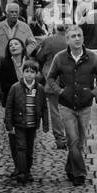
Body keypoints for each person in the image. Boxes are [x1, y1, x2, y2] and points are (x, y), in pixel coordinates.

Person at [46, 25, 97, 185]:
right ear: (67, 39)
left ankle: (69, 168)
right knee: (72, 139)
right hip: (66, 105)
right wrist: (60, 92)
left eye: (79, 35)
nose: (77, 38)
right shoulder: (60, 58)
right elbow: (50, 77)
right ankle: (80, 173)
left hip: (85, 105)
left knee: (80, 142)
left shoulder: (93, 57)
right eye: (73, 36)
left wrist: (94, 92)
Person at [5, 58, 50, 184]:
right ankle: (21, 171)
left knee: (29, 149)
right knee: (21, 147)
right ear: (23, 73)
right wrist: (9, 124)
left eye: (32, 72)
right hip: (19, 123)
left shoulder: (40, 89)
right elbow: (9, 106)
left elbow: (44, 107)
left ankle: (28, 170)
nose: (29, 74)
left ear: (36, 74)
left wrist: (45, 124)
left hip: (32, 124)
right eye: (27, 71)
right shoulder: (15, 88)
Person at [36, 19, 69, 150]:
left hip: (52, 79)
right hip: (70, 79)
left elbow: (40, 57)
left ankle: (60, 139)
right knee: (70, 109)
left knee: (55, 110)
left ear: (56, 27)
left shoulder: (49, 41)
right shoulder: (73, 40)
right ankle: (72, 136)